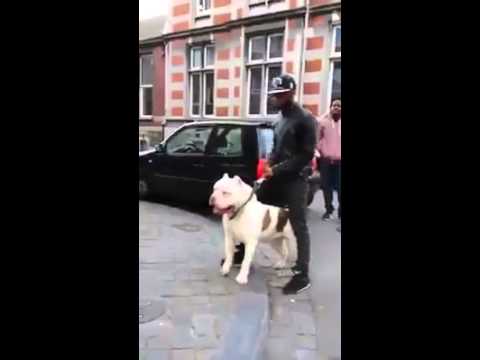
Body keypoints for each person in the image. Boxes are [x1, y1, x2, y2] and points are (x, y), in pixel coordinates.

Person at [317, 99, 341, 220]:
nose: (336, 108)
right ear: (330, 107)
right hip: (326, 160)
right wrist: (321, 149)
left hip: (340, 161)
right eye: (334, 106)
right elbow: (317, 138)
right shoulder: (323, 122)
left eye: (339, 106)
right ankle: (328, 210)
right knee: (326, 187)